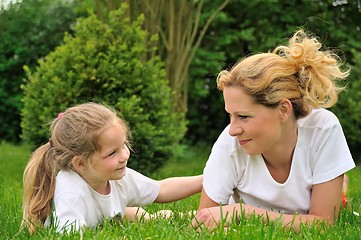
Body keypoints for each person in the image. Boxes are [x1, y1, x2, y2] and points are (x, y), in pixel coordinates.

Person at [192, 29, 355, 232]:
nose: (232, 130)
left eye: (243, 116)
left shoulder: (322, 128)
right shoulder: (230, 142)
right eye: (230, 116)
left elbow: (323, 225)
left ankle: (337, 183)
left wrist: (243, 212)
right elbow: (204, 220)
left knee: (339, 199)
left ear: (283, 110)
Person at [22, 102, 203, 233]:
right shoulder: (71, 194)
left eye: (123, 145)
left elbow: (161, 189)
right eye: (112, 153)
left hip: (107, 216)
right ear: (80, 163)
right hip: (90, 223)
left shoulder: (115, 177)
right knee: (129, 215)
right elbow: (72, 236)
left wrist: (207, 179)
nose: (124, 156)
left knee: (137, 214)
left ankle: (193, 216)